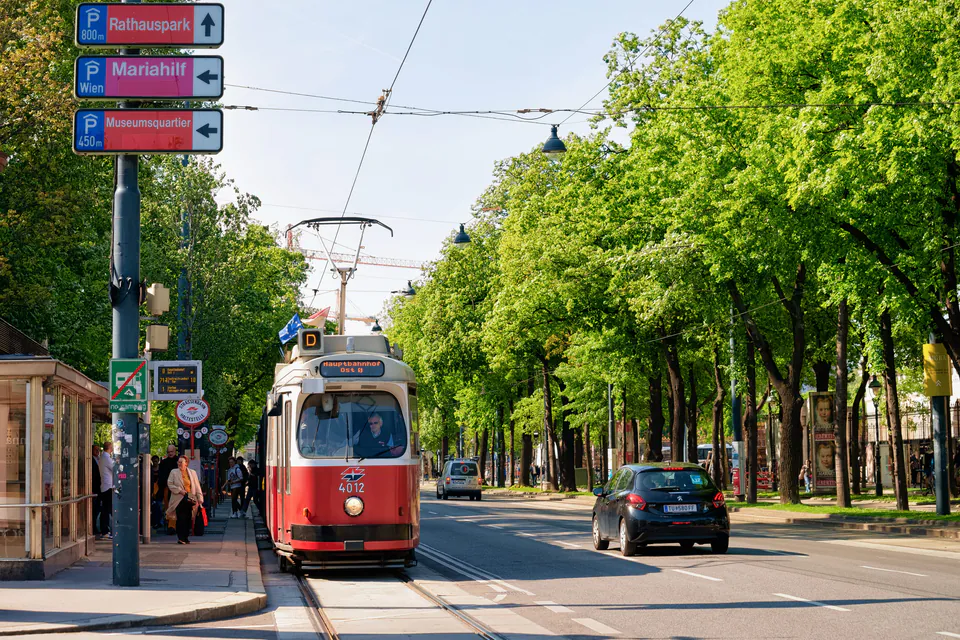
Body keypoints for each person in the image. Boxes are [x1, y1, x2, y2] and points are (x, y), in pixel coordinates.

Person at [167, 456, 203, 544]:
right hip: (178, 499)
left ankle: (186, 537)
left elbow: (197, 486)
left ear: (186, 463)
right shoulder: (174, 472)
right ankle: (181, 538)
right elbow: (170, 484)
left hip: (190, 498)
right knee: (181, 518)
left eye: (181, 462)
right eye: (178, 462)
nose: (179, 464)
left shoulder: (192, 472)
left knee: (188, 518)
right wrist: (180, 491)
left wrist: (200, 498)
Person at [157, 445, 180, 535]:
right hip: (167, 488)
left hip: (176, 488)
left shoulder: (178, 461)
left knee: (175, 506)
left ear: (175, 451)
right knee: (169, 507)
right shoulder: (163, 462)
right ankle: (171, 525)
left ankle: (172, 525)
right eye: (169, 452)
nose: (170, 453)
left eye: (172, 452)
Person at [98, 442, 115, 539]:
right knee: (107, 510)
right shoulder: (106, 458)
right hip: (108, 487)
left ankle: (105, 530)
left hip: (105, 486)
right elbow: (115, 469)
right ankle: (105, 530)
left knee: (106, 509)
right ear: (110, 448)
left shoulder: (103, 457)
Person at [91, 445, 101, 536]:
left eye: (99, 449)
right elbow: (93, 476)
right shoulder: (91, 461)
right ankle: (93, 527)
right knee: (94, 509)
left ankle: (95, 527)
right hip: (94, 489)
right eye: (96, 450)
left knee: (97, 509)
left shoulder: (98, 460)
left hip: (98, 488)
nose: (98, 451)